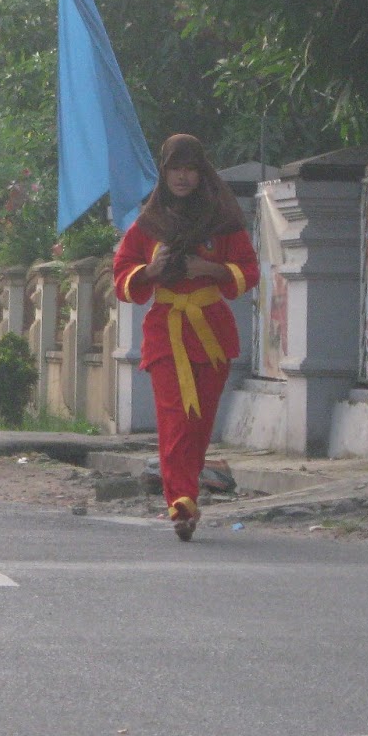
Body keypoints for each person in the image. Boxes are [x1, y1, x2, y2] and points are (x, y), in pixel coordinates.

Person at [114, 133, 260, 542]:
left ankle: (188, 494)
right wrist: (150, 271)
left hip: (212, 332)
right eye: (175, 168)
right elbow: (121, 278)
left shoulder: (223, 220)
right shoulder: (148, 223)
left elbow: (248, 270)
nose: (182, 177)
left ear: (201, 172)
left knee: (199, 423)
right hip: (166, 333)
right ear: (164, 172)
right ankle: (179, 502)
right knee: (174, 418)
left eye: (190, 168)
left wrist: (210, 269)